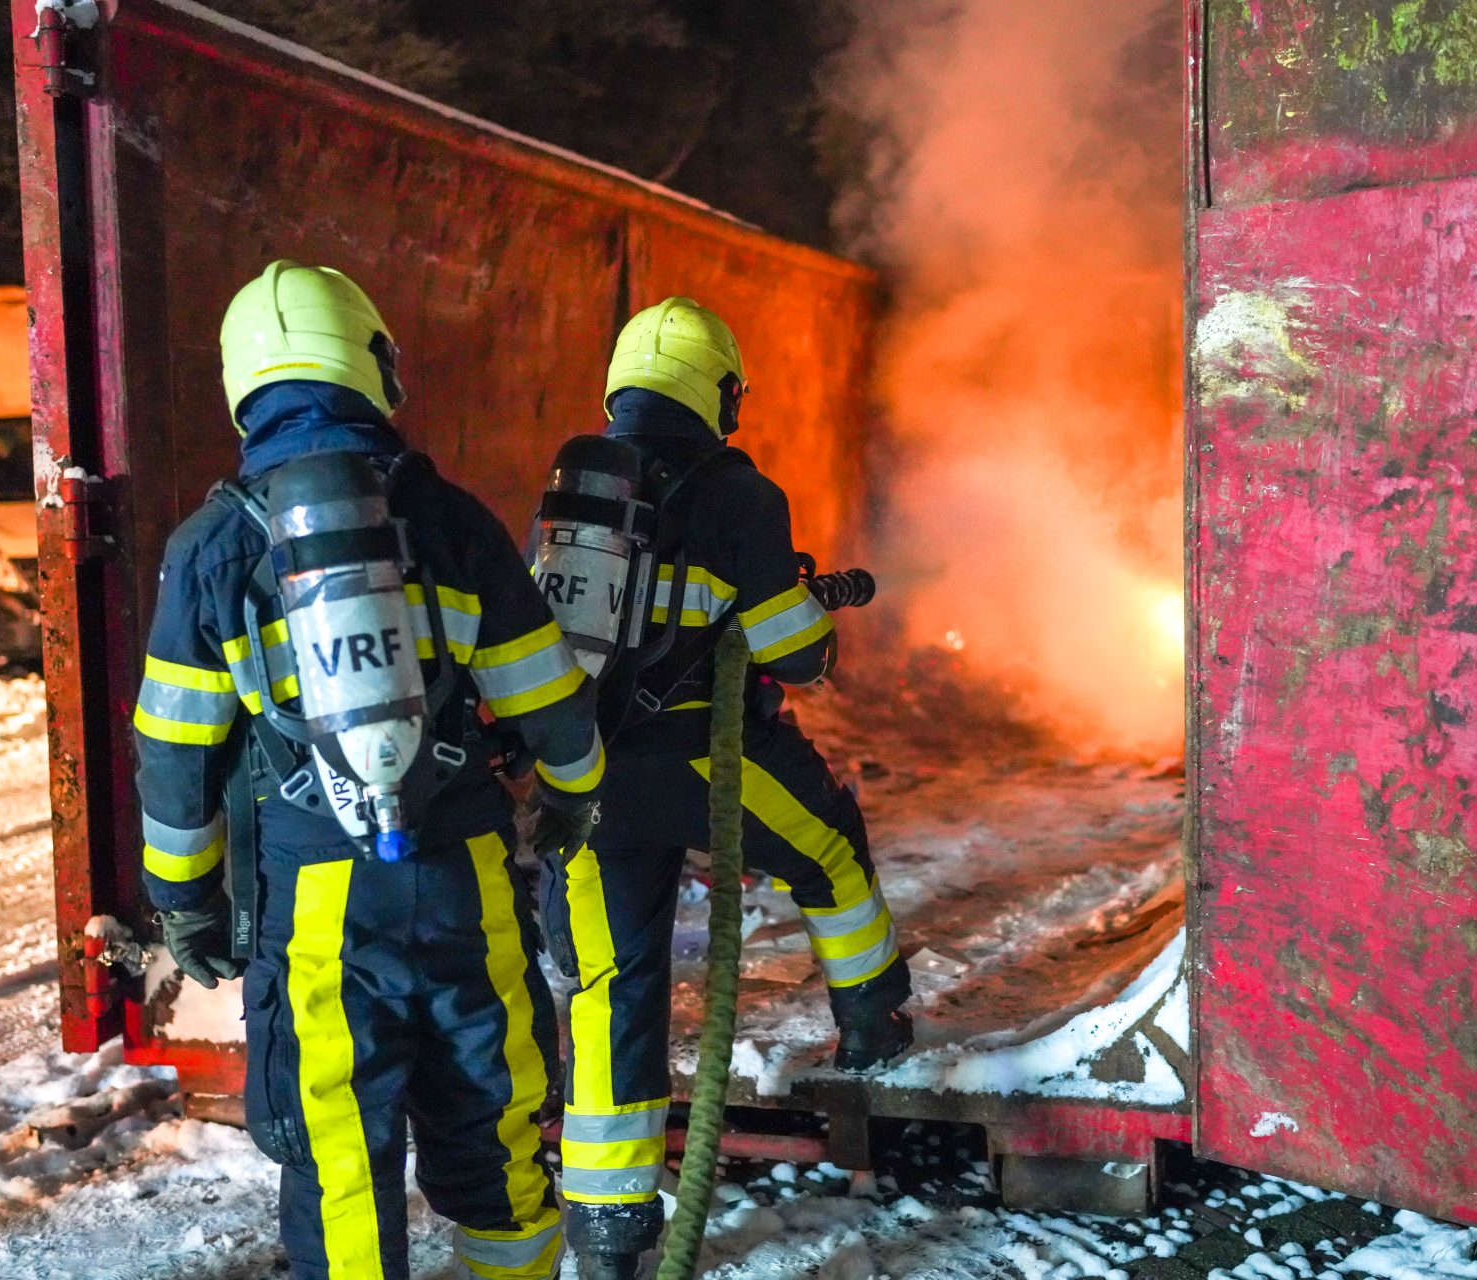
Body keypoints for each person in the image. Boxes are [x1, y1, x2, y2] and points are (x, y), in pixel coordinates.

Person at [133, 260, 601, 1280]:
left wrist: (186, 902)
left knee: (341, 1150)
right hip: (468, 872)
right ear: (372, 362)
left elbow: (175, 752)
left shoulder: (212, 548)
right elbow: (551, 699)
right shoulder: (451, 520)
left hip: (317, 899)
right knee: (495, 1117)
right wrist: (572, 796)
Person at [542, 297, 913, 1279]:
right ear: (719, 393)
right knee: (829, 845)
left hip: (589, 775)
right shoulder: (741, 493)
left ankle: (609, 1233)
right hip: (711, 761)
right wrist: (813, 625)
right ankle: (872, 1022)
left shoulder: (579, 488)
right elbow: (792, 653)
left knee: (613, 986)